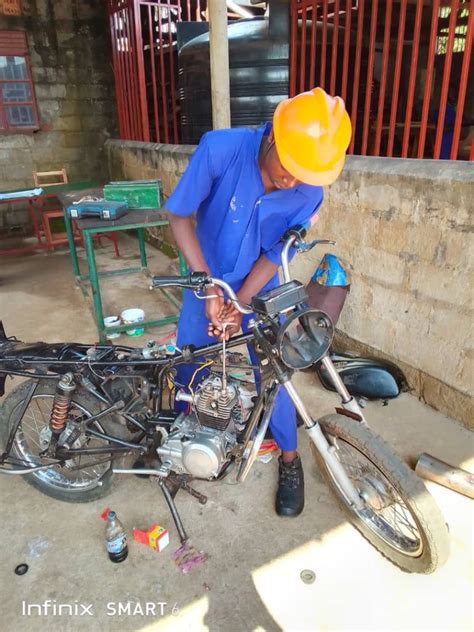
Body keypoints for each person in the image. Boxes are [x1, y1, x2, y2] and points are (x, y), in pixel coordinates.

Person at [165, 87, 352, 517]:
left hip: (261, 289)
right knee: (189, 363)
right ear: (272, 137)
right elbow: (179, 216)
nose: (292, 180)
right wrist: (209, 288)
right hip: (202, 280)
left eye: (304, 174)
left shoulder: (309, 191)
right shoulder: (221, 149)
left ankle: (289, 459)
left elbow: (274, 254)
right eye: (288, 167)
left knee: (276, 373)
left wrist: (243, 303)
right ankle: (184, 445)